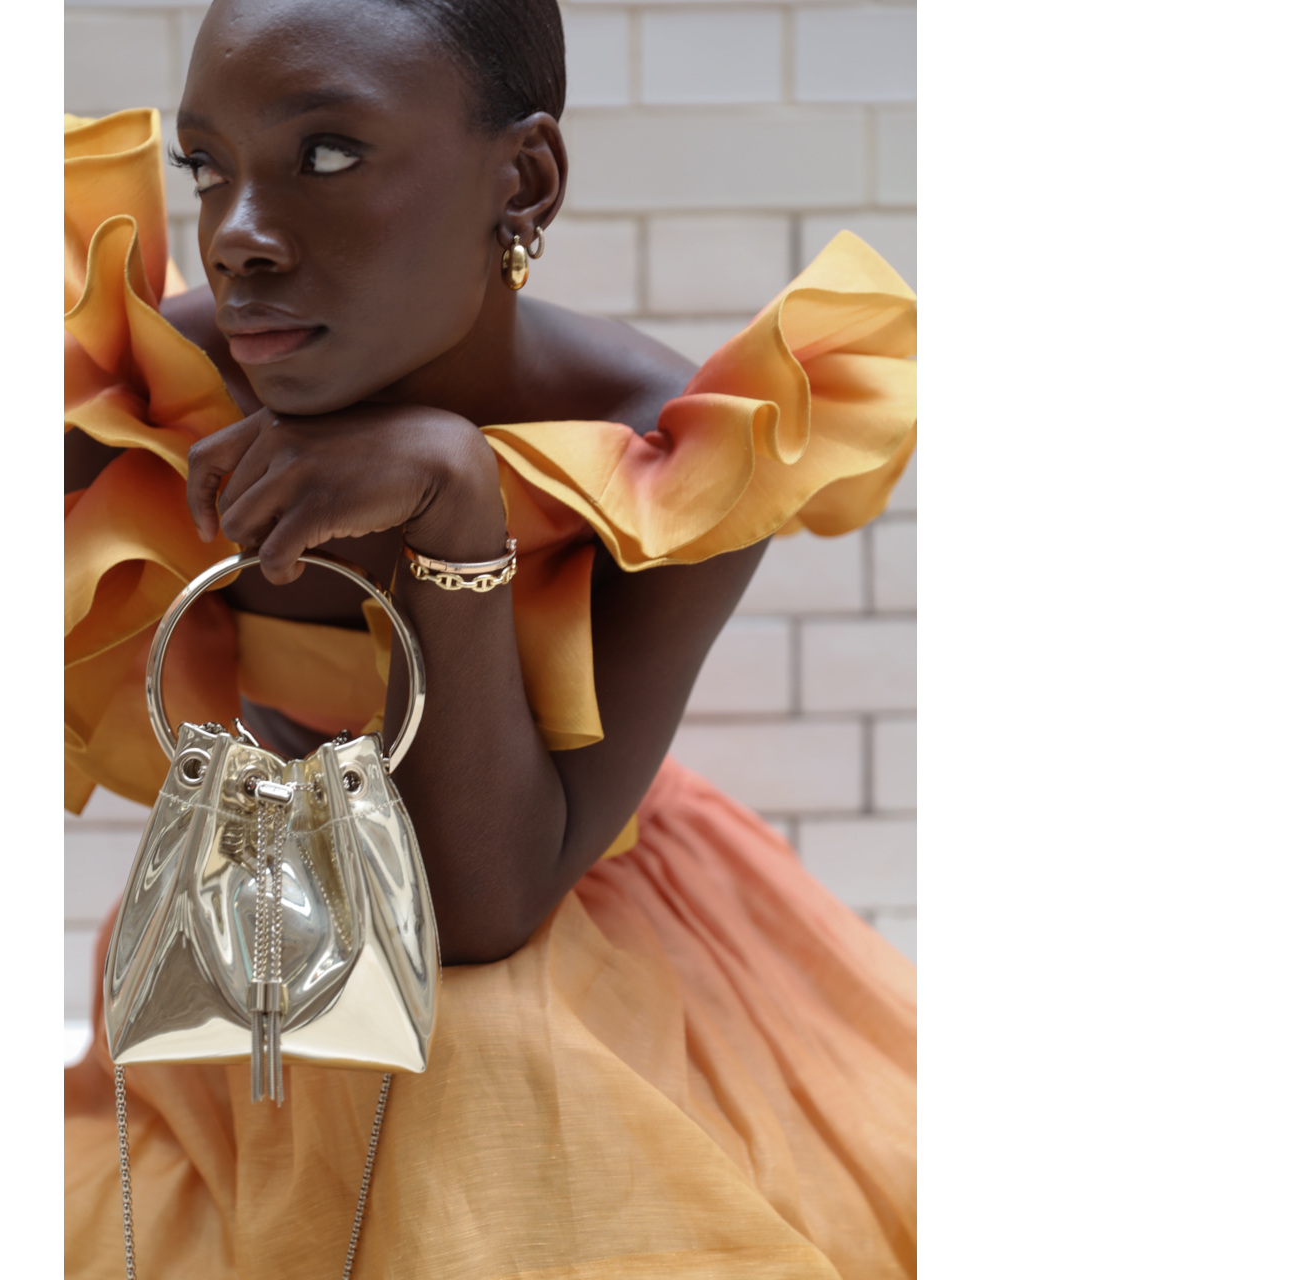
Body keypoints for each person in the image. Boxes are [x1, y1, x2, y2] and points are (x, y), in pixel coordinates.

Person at [62, 0, 917, 1274]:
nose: (236, 237)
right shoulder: (138, 390)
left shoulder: (676, 455)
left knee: (477, 1055)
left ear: (523, 182)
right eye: (207, 165)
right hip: (262, 908)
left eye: (328, 155)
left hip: (557, 893)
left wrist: (455, 504)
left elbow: (482, 910)